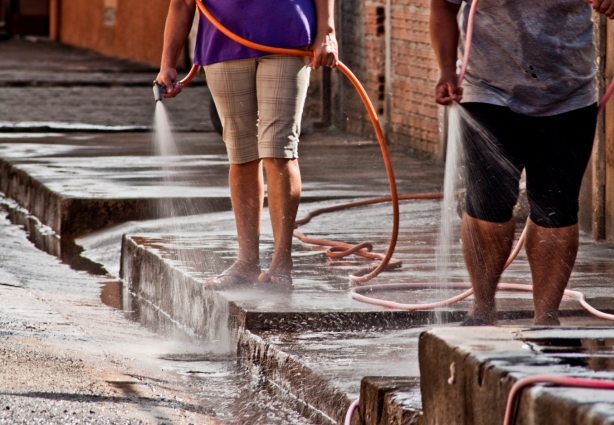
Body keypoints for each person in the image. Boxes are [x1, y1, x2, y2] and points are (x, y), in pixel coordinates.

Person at [430, 0, 614, 325]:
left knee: (556, 206)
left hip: (569, 92)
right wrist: (446, 69)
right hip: (487, 89)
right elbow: (443, 6)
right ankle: (482, 310)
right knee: (489, 199)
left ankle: (546, 319)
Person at [156, 0, 338, 288]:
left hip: (287, 40)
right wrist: (167, 63)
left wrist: (326, 32)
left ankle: (281, 263)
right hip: (223, 44)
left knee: (279, 150)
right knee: (241, 154)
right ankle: (247, 263)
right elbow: (182, 3)